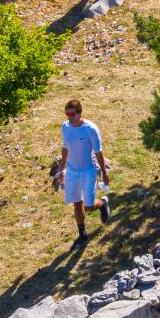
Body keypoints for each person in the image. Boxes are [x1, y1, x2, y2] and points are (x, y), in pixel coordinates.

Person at [56, 100, 111, 243]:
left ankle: (103, 204)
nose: (69, 116)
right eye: (66, 113)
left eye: (72, 114)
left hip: (88, 171)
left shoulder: (90, 129)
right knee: (76, 203)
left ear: (79, 113)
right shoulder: (65, 126)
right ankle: (82, 235)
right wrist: (62, 170)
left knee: (88, 206)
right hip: (72, 171)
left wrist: (104, 173)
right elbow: (65, 148)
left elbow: (99, 152)